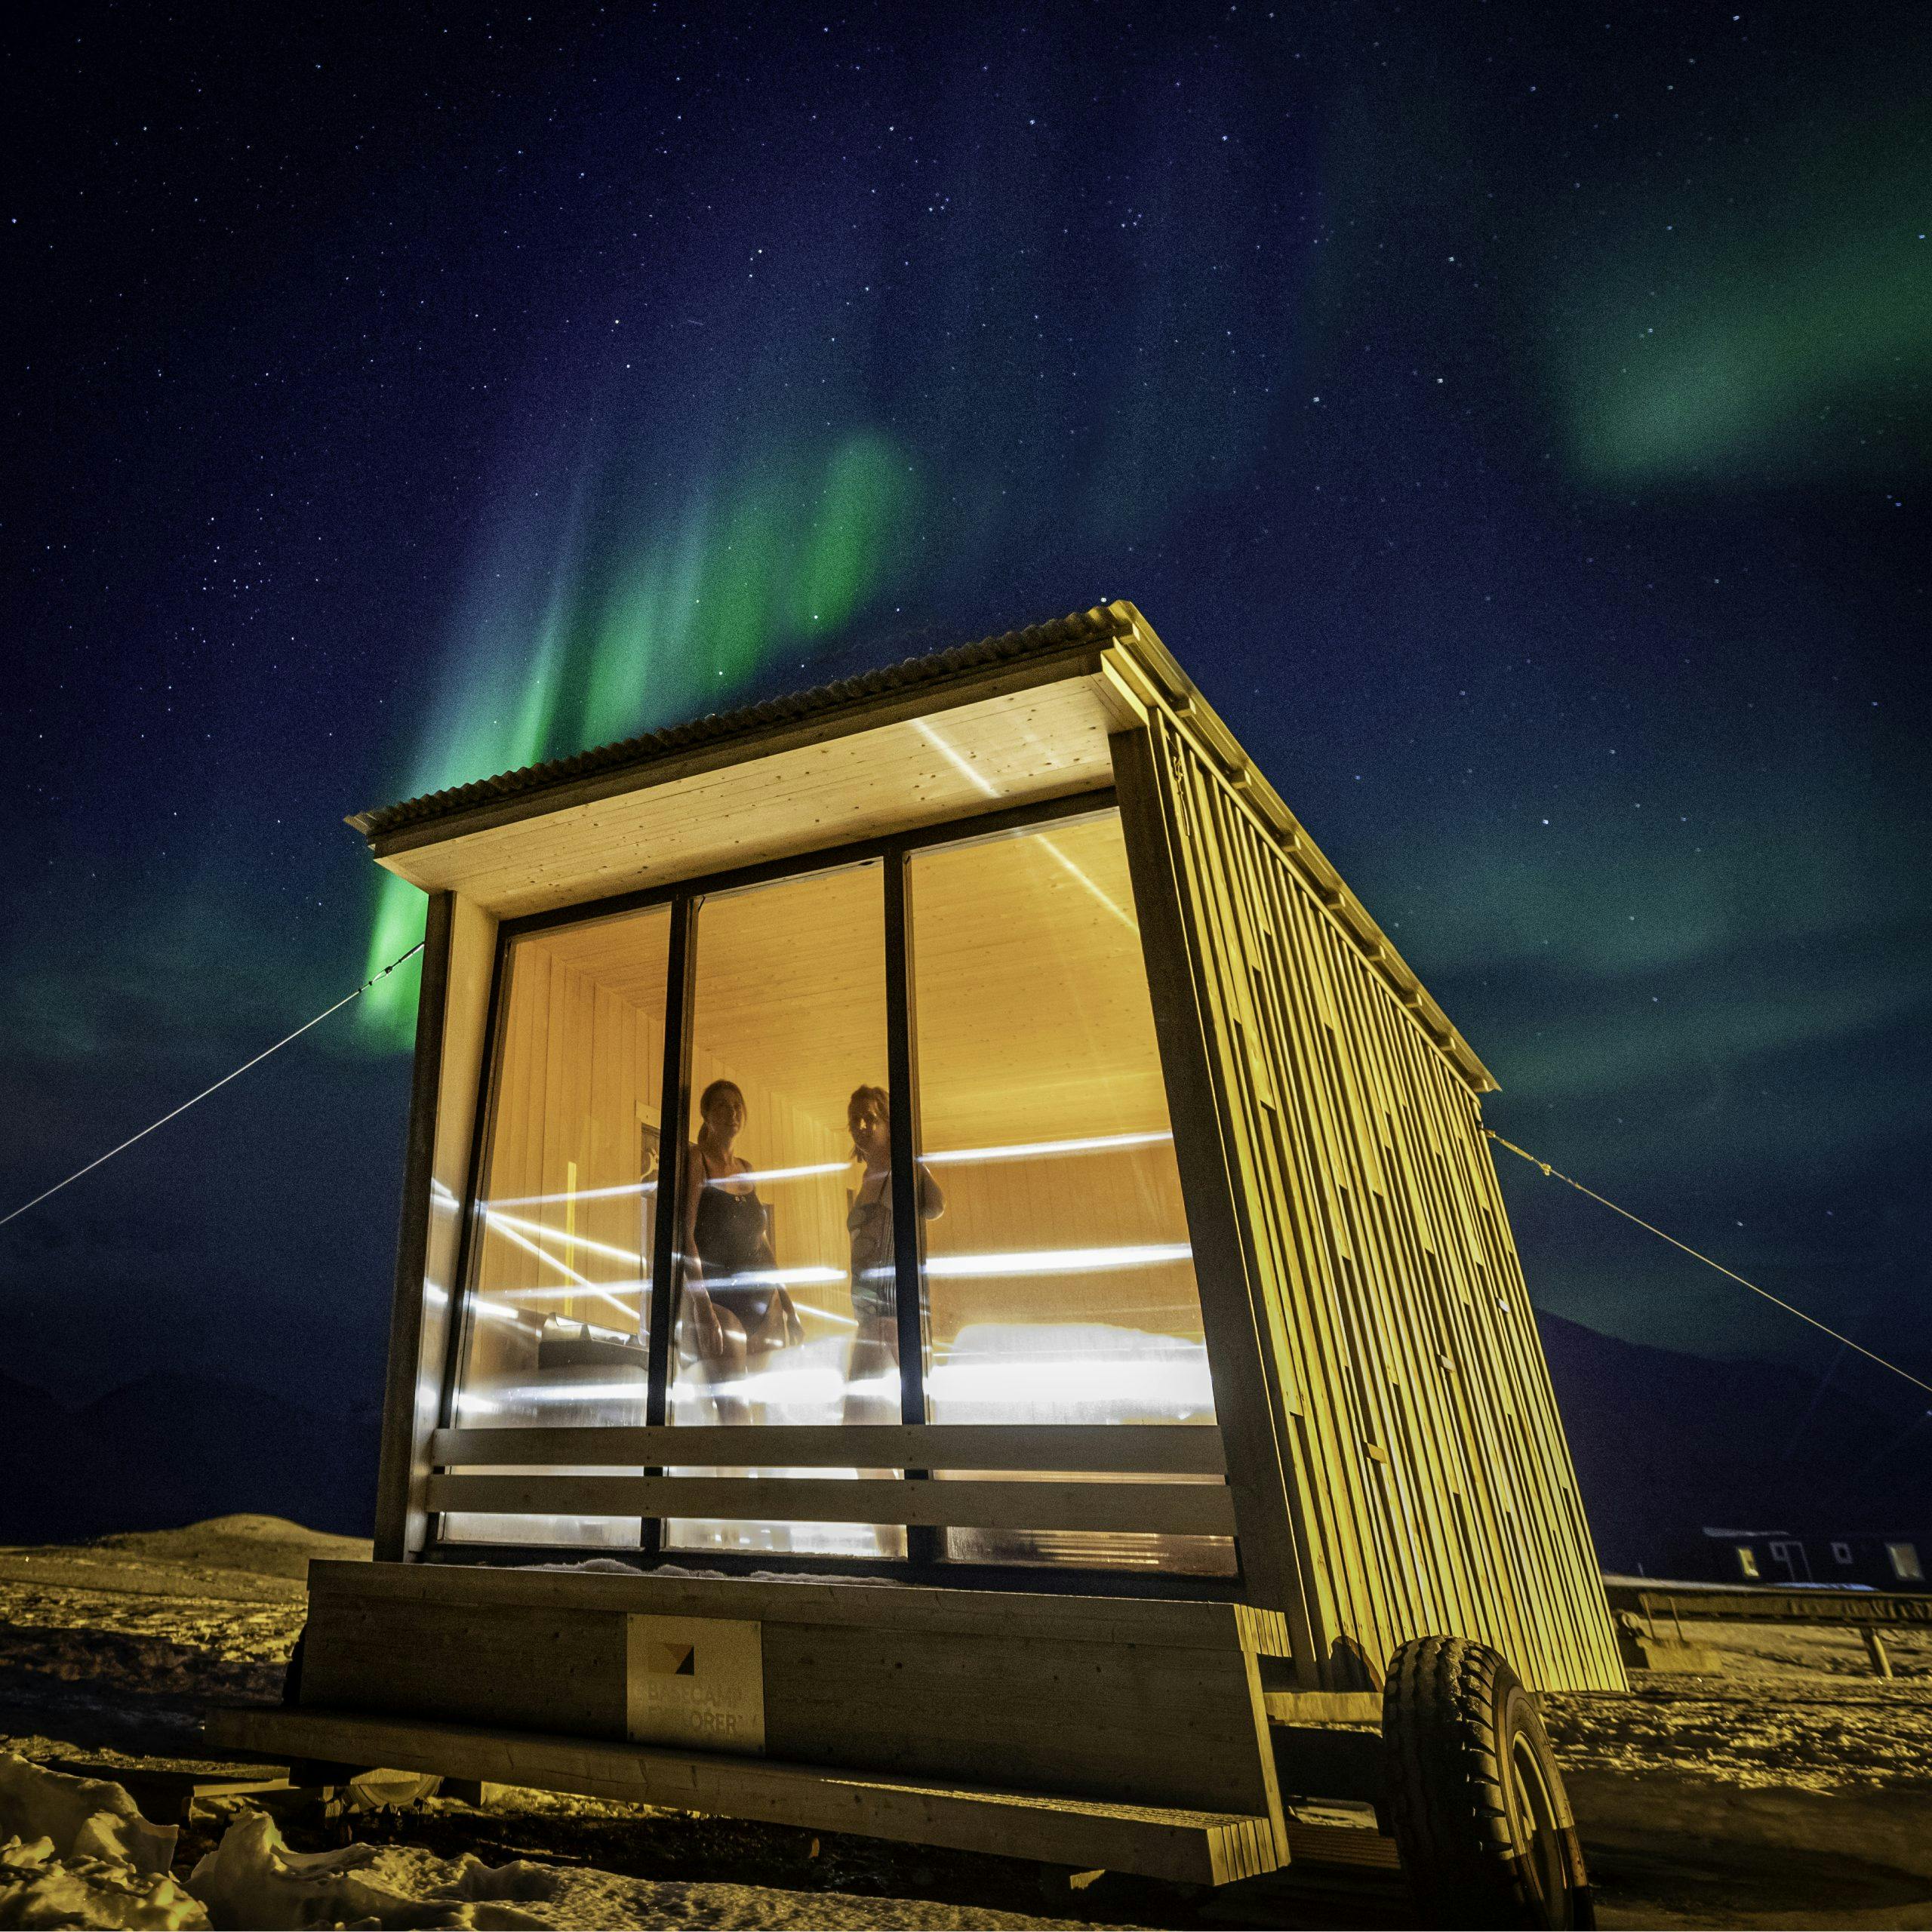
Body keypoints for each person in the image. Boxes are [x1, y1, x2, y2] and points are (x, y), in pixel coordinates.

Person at [678, 1078, 801, 1423]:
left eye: (737, 1106)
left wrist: (790, 1307)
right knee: (734, 1409)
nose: (732, 1112)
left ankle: (765, 1477)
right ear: (707, 1116)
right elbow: (685, 1237)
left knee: (772, 1408)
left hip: (765, 1302)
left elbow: (762, 1241)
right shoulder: (697, 1160)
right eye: (723, 1106)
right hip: (721, 1301)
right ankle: (733, 1477)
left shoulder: (747, 1169)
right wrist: (702, 1308)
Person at [842, 1084, 943, 1424]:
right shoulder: (867, 1175)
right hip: (868, 1314)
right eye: (855, 1119)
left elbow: (936, 1205)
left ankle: (928, 1474)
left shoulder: (900, 1170)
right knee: (864, 1424)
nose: (862, 1126)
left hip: (893, 1312)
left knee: (911, 1418)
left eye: (871, 1118)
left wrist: (909, 1154)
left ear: (888, 1123)